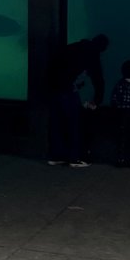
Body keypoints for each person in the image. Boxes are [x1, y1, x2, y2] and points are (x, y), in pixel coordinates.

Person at [47, 34, 108, 168]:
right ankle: (75, 157)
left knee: (57, 123)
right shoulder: (92, 53)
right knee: (74, 123)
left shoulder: (72, 47)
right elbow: (98, 78)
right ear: (101, 48)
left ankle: (56, 156)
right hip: (67, 89)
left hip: (53, 87)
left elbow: (55, 64)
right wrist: (97, 100)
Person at [109, 59, 130, 167]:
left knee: (121, 136)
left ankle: (121, 159)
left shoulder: (120, 84)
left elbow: (114, 99)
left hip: (121, 113)